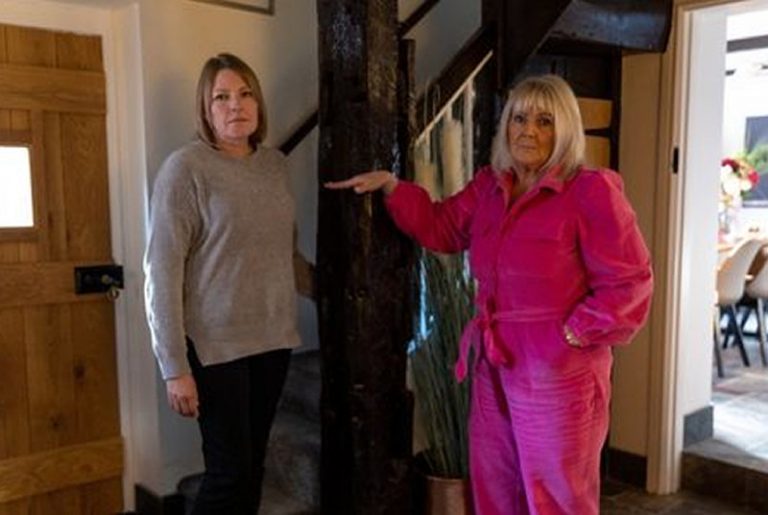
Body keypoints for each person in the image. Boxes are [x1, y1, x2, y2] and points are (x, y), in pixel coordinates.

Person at [326, 74, 653, 515]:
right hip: (493, 361)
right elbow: (441, 226)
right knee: (495, 484)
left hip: (557, 369)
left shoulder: (590, 190)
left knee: (557, 495)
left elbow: (630, 282)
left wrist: (572, 335)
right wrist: (392, 186)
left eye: (544, 121)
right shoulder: (491, 186)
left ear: (566, 130)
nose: (528, 130)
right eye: (519, 118)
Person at [144, 53, 302, 514]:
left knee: (253, 468)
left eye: (246, 93)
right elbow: (163, 269)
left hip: (273, 340)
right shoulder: (186, 168)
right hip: (215, 347)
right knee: (228, 474)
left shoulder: (275, 165)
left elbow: (283, 253)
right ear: (206, 110)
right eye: (222, 97)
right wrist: (174, 366)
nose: (236, 105)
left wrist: (326, 289)